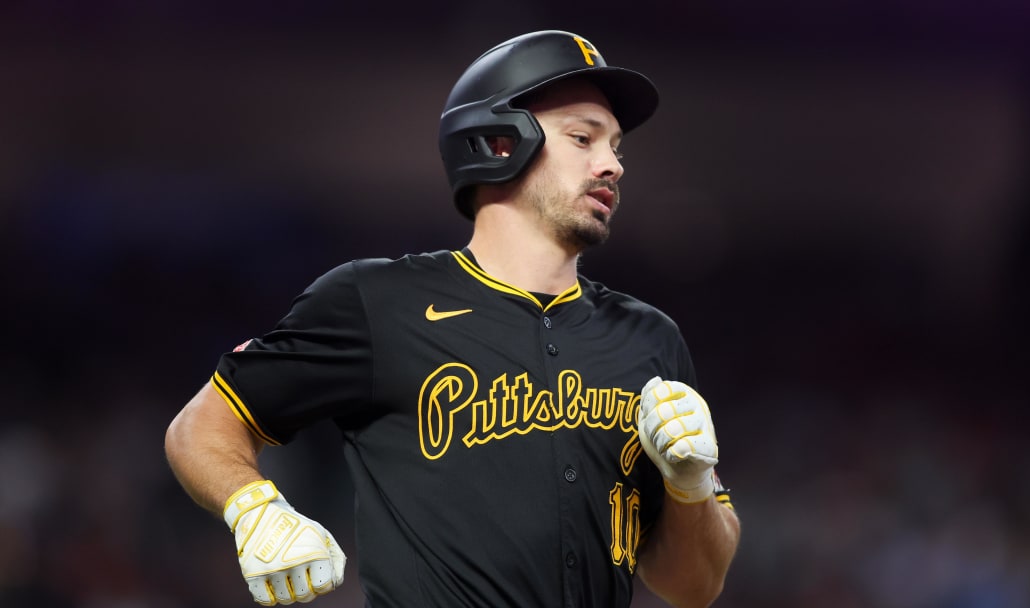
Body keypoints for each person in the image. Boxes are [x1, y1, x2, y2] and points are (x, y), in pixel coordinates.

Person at [164, 29, 740, 608]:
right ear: (497, 142)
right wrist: (254, 509)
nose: (612, 164)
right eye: (583, 138)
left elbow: (694, 587)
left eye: (617, 147)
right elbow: (199, 427)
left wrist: (690, 486)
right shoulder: (379, 301)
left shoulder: (650, 339)